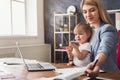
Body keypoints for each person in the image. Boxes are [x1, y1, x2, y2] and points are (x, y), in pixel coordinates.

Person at [80, 0, 120, 78]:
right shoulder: (89, 31)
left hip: (109, 75)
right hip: (89, 75)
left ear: (100, 10)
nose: (88, 14)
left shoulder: (107, 28)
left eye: (92, 10)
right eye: (85, 12)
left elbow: (104, 49)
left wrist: (96, 64)